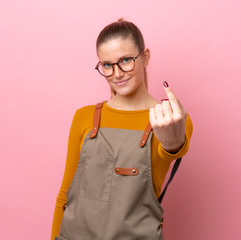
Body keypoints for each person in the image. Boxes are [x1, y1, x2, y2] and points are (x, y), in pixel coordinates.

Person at [51, 18, 193, 240]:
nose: (117, 74)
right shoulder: (84, 117)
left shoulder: (170, 119)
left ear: (145, 57)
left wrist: (174, 143)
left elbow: (174, 148)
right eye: (107, 65)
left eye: (126, 60)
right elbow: (65, 196)